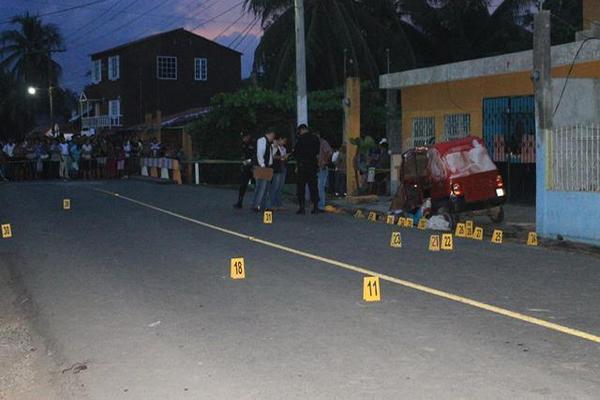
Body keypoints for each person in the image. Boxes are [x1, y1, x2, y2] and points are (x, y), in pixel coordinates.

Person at [292, 124, 320, 214]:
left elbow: (296, 153)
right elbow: (317, 151)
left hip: (302, 165)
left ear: (301, 130)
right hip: (312, 165)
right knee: (313, 187)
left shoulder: (300, 140)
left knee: (301, 187)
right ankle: (315, 207)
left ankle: (302, 207)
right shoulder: (315, 138)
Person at [252, 129, 276, 212]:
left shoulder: (269, 143)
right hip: (261, 166)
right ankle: (257, 205)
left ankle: (263, 205)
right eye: (273, 136)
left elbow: (271, 155)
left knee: (266, 187)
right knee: (261, 187)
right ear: (270, 134)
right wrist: (262, 165)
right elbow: (260, 153)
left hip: (267, 166)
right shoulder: (262, 140)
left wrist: (275, 147)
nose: (273, 138)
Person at [234, 132, 256, 209]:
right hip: (245, 168)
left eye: (245, 137)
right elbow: (241, 155)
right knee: (243, 185)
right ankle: (240, 202)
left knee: (258, 185)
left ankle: (257, 203)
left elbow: (254, 156)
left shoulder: (253, 144)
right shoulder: (242, 144)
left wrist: (249, 162)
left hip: (253, 166)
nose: (244, 139)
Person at [316, 132, 332, 211]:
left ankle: (321, 205)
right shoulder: (317, 144)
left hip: (322, 168)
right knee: (319, 187)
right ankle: (319, 204)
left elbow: (329, 152)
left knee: (320, 187)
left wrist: (324, 161)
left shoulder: (323, 142)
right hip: (318, 168)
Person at [271, 136, 288, 210]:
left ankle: (278, 203)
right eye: (283, 140)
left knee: (280, 186)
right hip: (277, 168)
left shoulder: (284, 148)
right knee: (275, 186)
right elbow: (272, 156)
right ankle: (272, 203)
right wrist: (282, 156)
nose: (284, 142)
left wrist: (285, 158)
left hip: (283, 167)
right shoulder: (274, 147)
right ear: (280, 139)